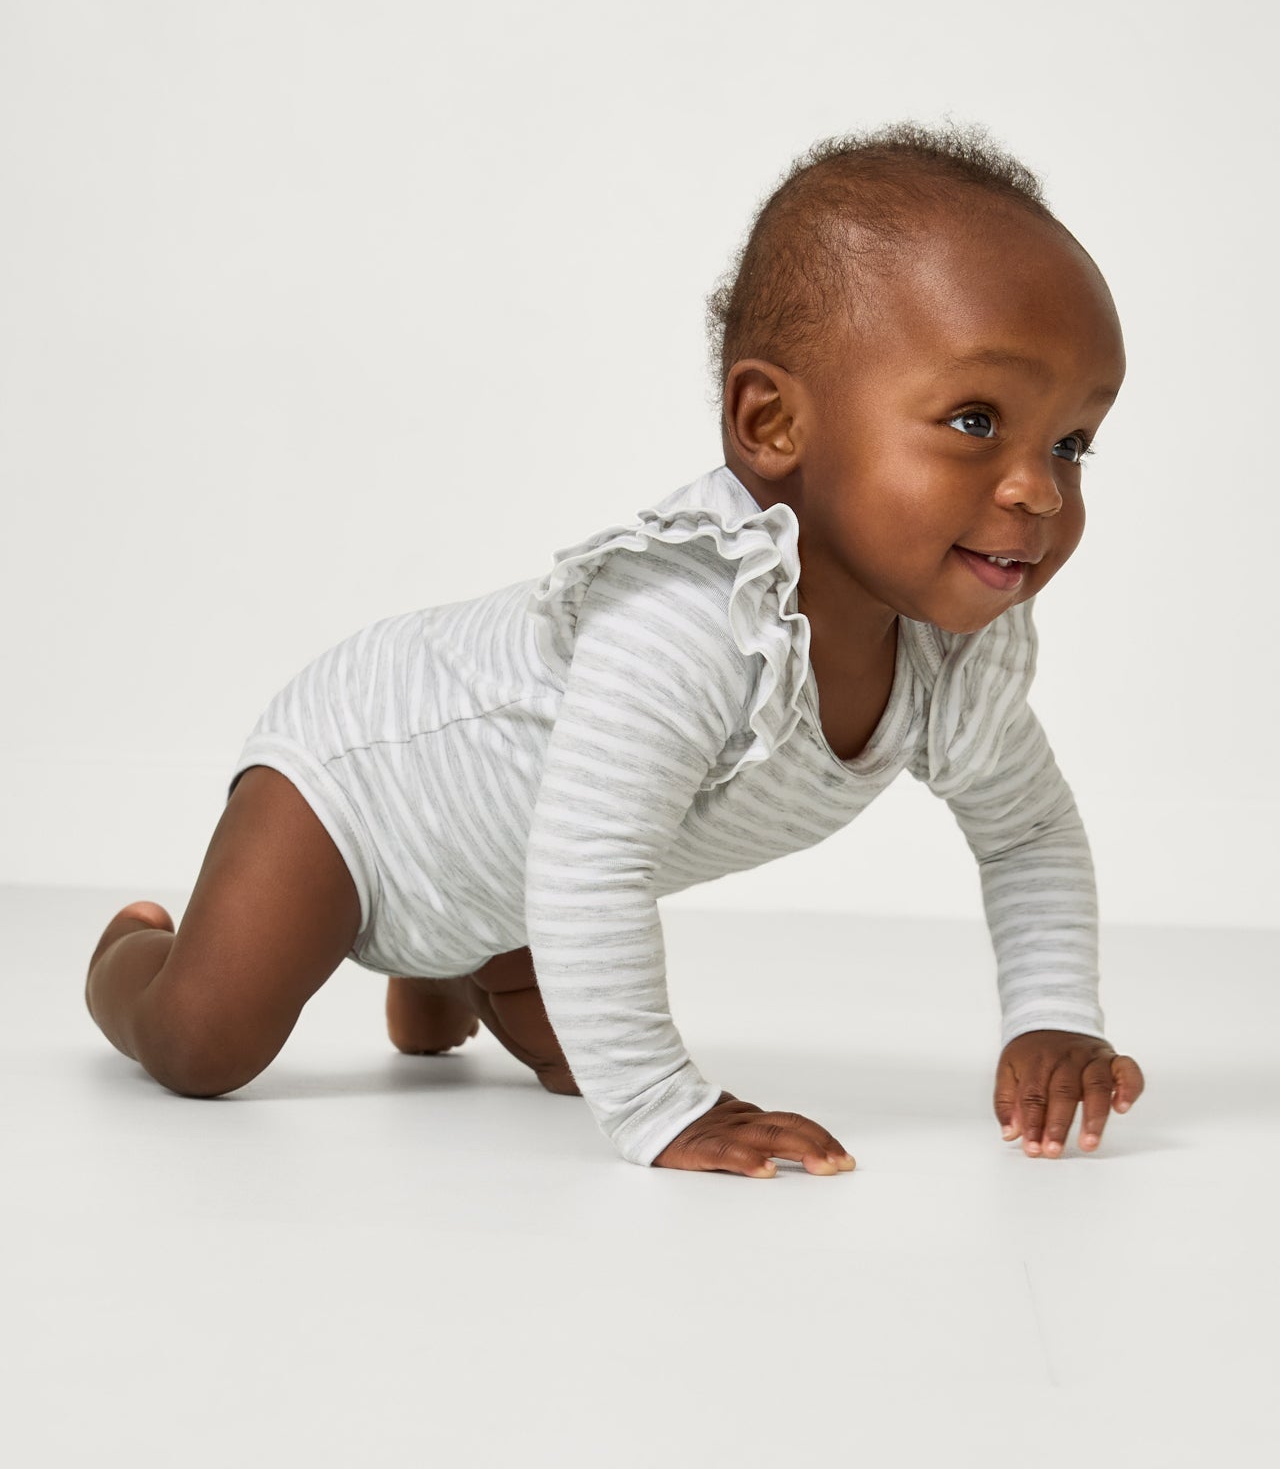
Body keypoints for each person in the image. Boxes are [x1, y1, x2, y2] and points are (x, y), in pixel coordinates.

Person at [84, 120, 1146, 1177]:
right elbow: (592, 859)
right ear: (771, 423)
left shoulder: (954, 659)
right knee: (205, 1046)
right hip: (358, 787)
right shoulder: (687, 619)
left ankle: (462, 959)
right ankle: (129, 950)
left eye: (1070, 441)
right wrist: (660, 1106)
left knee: (562, 1047)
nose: (1037, 489)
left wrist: (1050, 1016)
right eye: (971, 421)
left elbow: (1027, 834)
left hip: (509, 863)